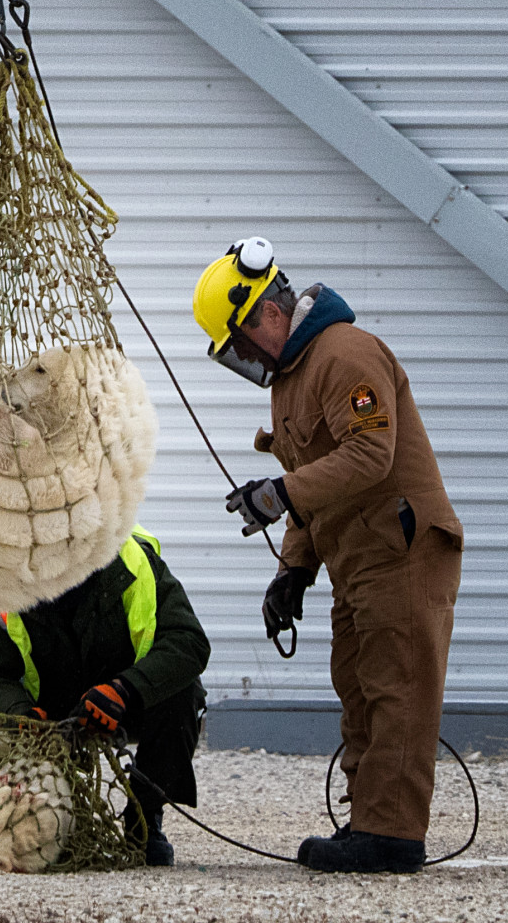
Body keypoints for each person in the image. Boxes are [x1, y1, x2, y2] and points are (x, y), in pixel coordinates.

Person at [192, 238, 463, 874]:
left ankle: (391, 836)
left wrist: (276, 493)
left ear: (266, 315)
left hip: (403, 552)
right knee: (361, 687)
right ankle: (372, 823)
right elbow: (316, 482)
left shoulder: (345, 353)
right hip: (359, 561)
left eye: (238, 344)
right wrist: (294, 570)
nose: (244, 360)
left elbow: (370, 456)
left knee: (395, 686)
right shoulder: (291, 382)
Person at [0, 524, 210, 867]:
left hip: (122, 701)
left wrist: (124, 690)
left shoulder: (128, 559)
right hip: (42, 716)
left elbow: (188, 641)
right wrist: (22, 716)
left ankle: (145, 816)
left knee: (183, 693)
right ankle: (39, 813)